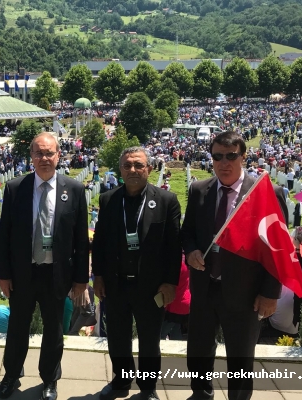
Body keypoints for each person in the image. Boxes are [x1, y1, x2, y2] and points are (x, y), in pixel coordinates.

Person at [181, 130, 286, 400]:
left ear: (243, 157)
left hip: (246, 293)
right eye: (217, 156)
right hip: (205, 287)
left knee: (240, 357)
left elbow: (278, 248)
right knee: (199, 351)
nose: (224, 163)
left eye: (231, 156)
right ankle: (201, 394)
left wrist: (270, 293)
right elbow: (188, 231)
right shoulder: (199, 189)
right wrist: (191, 250)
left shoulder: (265, 193)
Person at [0, 132, 89, 400]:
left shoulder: (74, 189)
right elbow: (5, 235)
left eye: (49, 153)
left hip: (56, 274)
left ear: (59, 155)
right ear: (31, 157)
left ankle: (49, 378)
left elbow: (81, 239)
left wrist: (81, 279)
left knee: (54, 330)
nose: (44, 158)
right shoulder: (16, 188)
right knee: (17, 328)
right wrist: (4, 274)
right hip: (24, 273)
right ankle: (12, 374)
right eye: (39, 153)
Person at [92, 147, 182, 400]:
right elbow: (99, 242)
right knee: (118, 338)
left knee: (149, 341)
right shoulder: (108, 199)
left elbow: (174, 247)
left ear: (149, 169)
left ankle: (148, 388)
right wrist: (98, 276)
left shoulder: (166, 201)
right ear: (120, 169)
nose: (132, 170)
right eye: (127, 165)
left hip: (151, 286)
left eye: (138, 165)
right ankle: (121, 382)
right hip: (116, 283)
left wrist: (170, 282)